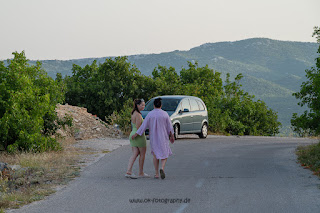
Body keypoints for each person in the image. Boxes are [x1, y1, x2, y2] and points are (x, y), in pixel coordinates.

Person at [132, 98, 175, 179]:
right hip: (163, 137)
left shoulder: (150, 114)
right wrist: (172, 136)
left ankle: (156, 173)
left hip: (154, 137)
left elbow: (143, 126)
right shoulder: (165, 114)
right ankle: (162, 168)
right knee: (164, 154)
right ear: (161, 105)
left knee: (155, 155)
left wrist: (136, 134)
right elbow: (170, 126)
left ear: (154, 105)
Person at [125, 99, 150, 179]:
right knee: (142, 154)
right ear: (137, 105)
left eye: (144, 105)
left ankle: (128, 171)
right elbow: (139, 127)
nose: (143, 106)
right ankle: (141, 172)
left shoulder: (133, 113)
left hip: (133, 133)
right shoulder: (138, 115)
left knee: (135, 153)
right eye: (142, 105)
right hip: (138, 135)